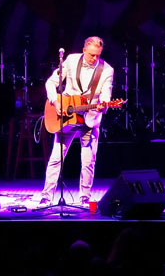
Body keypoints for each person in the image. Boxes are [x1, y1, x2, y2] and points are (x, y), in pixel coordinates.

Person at [39, 36, 114, 206]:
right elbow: (51, 83)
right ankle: (46, 196)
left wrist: (104, 105)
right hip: (67, 116)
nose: (95, 59)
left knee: (88, 160)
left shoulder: (107, 70)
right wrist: (55, 100)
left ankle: (85, 197)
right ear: (84, 50)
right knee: (56, 157)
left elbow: (106, 94)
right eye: (91, 55)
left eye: (98, 55)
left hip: (90, 117)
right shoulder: (71, 61)